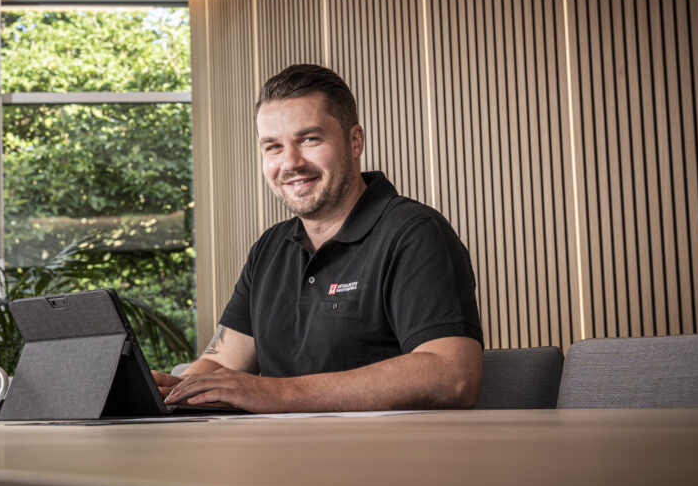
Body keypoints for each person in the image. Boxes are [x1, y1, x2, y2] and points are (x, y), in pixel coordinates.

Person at [156, 64, 483, 413]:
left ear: (354, 141)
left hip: (387, 462)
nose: (291, 162)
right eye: (273, 147)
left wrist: (276, 393)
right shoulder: (269, 249)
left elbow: (453, 375)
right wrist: (171, 390)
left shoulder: (414, 233)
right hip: (278, 460)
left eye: (309, 139)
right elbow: (221, 364)